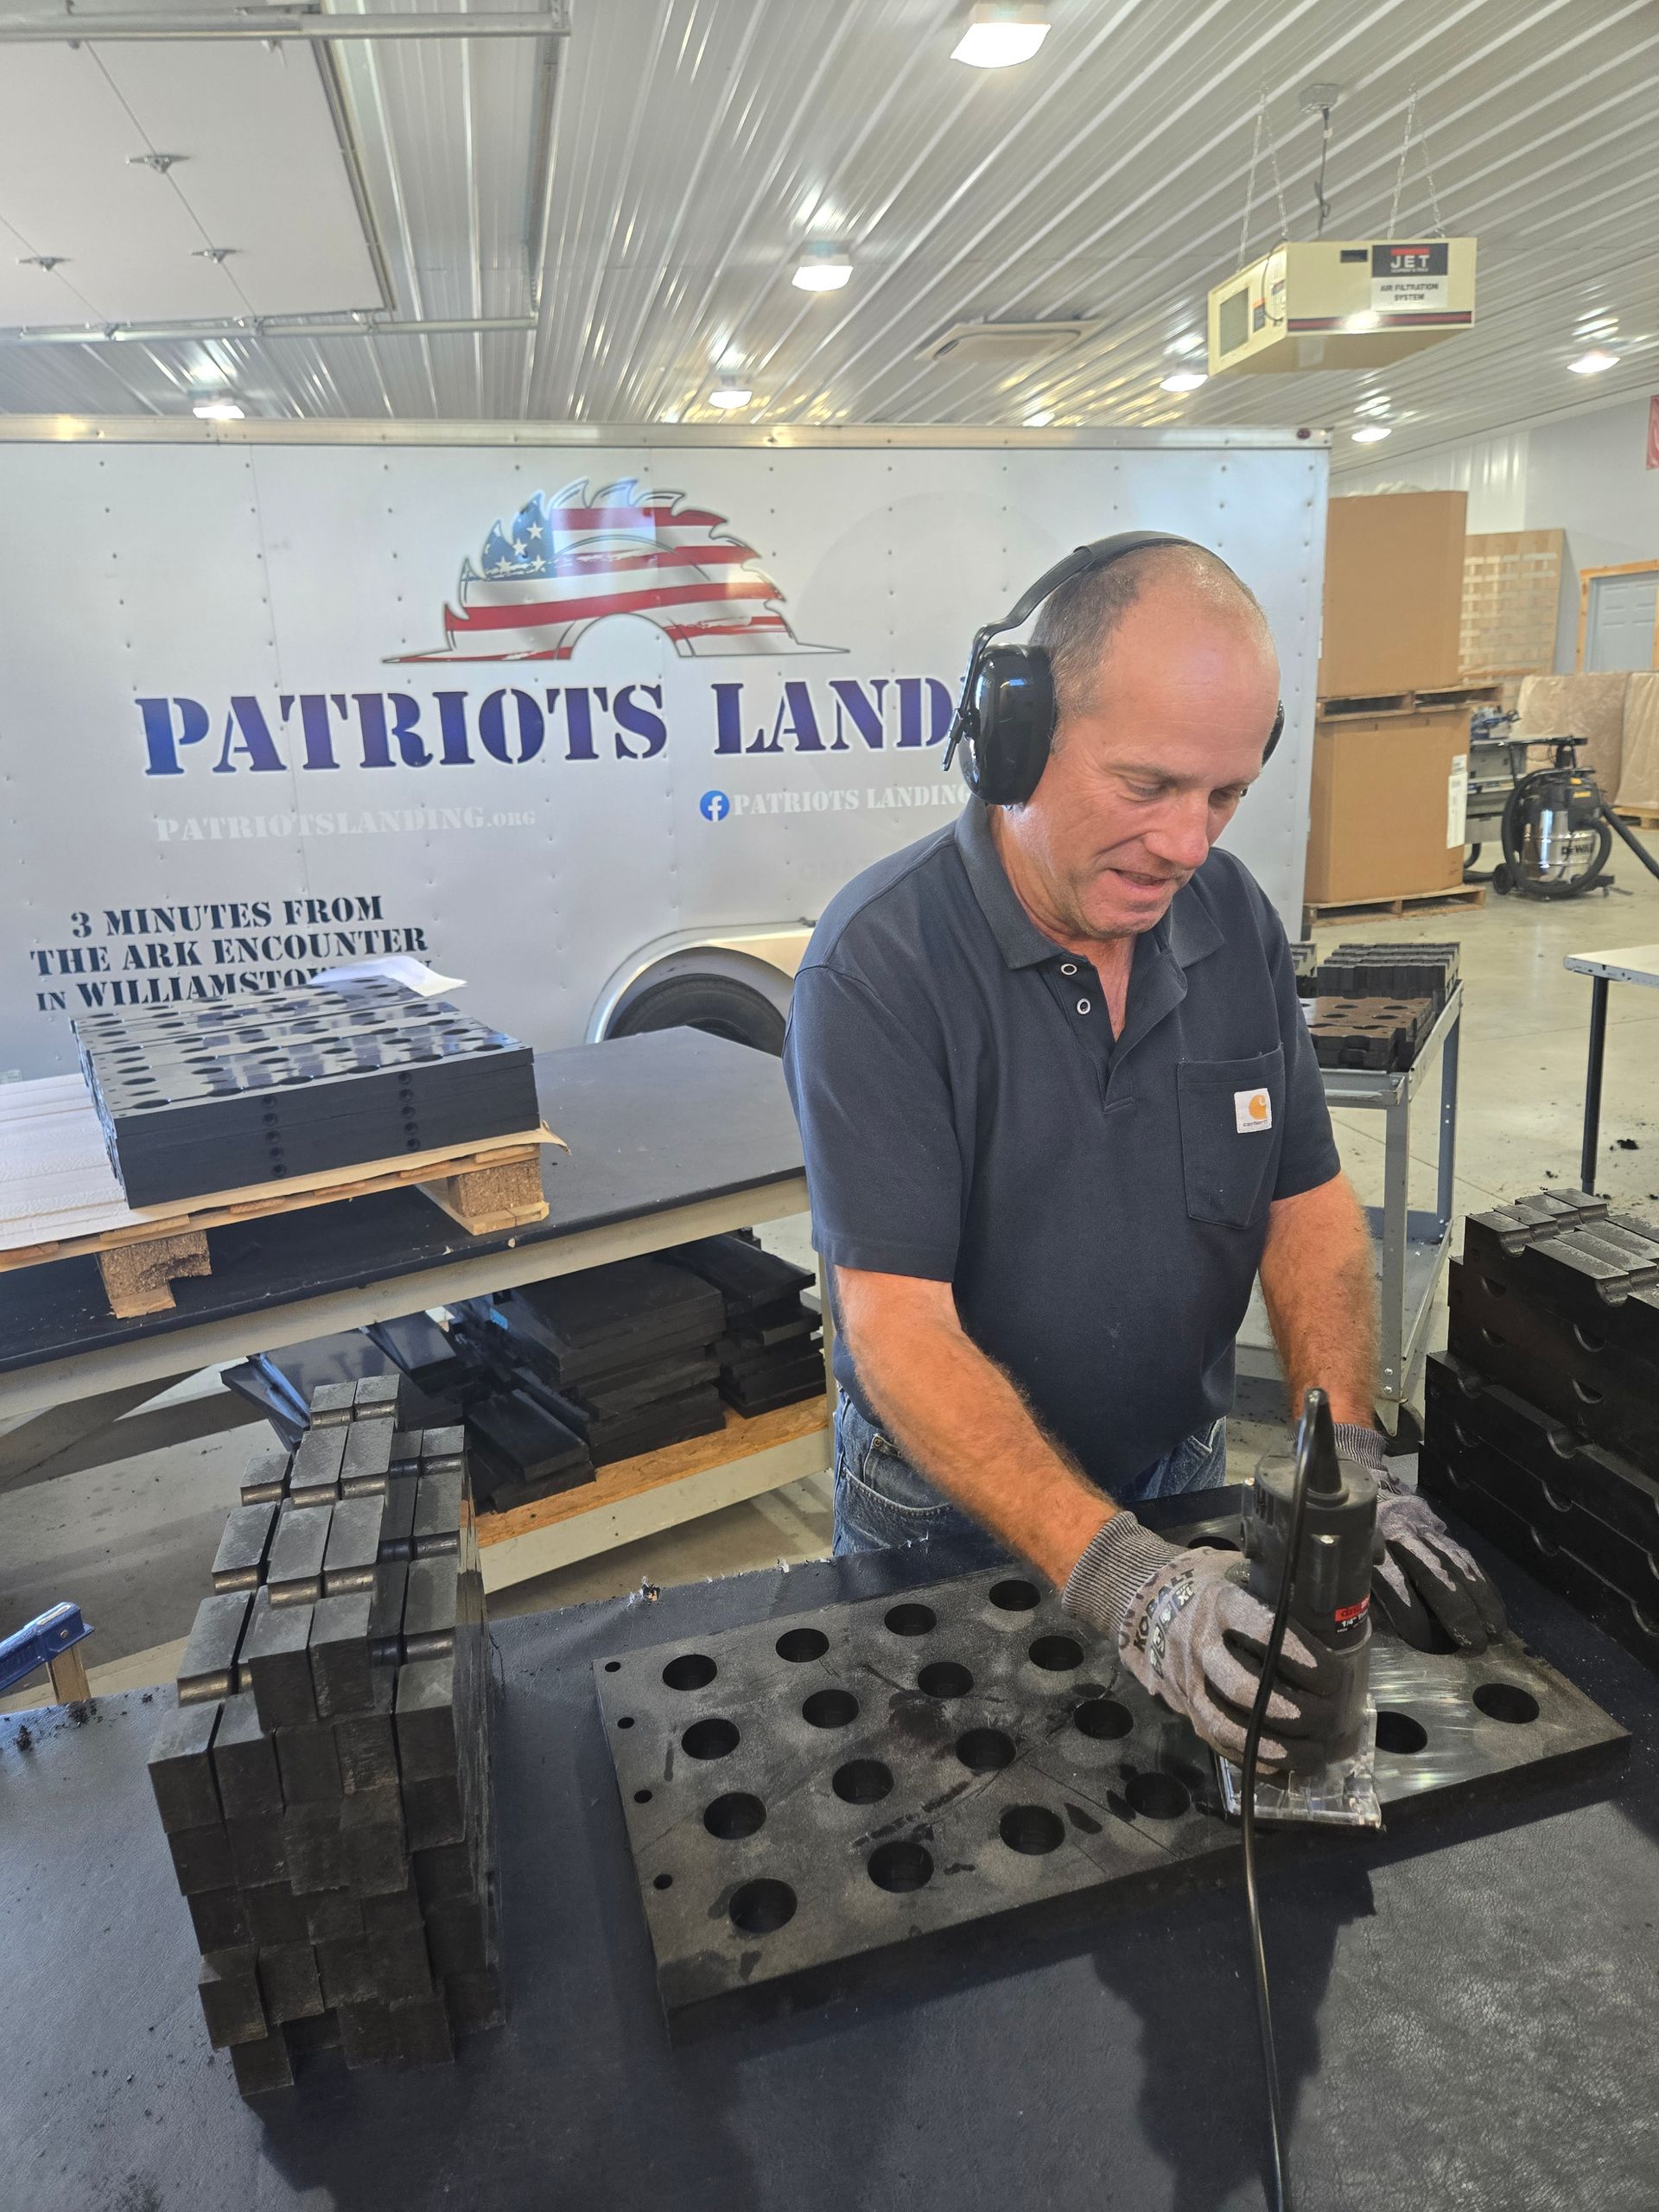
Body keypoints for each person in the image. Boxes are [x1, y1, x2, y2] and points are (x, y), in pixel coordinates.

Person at [783, 540, 1504, 1769]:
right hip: (945, 1510)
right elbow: (893, 1328)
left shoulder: (1231, 921)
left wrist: (1351, 1456)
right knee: (952, 1794)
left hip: (1183, 1462)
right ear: (1010, 744)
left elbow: (1308, 1208)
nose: (1185, 843)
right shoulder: (880, 970)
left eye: (1223, 796)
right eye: (1148, 785)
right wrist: (1126, 1578)